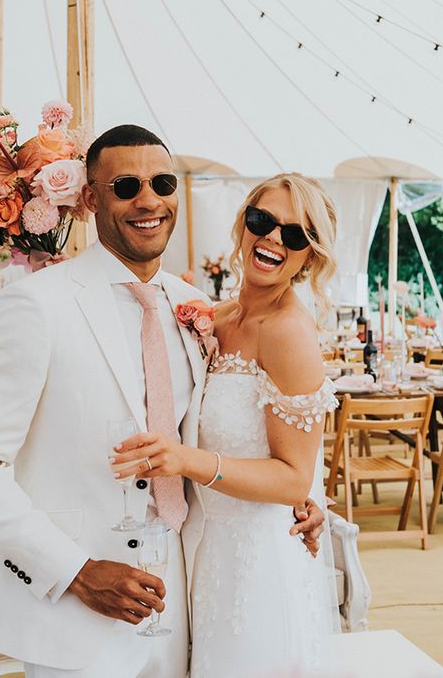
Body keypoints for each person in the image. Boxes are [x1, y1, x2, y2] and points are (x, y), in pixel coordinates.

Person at [0, 126, 324, 678]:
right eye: (125, 186)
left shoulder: (194, 307)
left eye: (162, 183)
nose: (148, 199)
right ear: (91, 198)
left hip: (191, 601)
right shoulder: (35, 305)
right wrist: (77, 572)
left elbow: (243, 430)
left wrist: (301, 498)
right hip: (73, 618)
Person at [111, 172, 341, 676]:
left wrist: (185, 460)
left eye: (295, 234)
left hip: (256, 563)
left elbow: (293, 478)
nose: (275, 238)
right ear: (243, 225)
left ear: (310, 255)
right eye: (263, 221)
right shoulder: (215, 316)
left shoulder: (289, 334)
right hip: (200, 545)